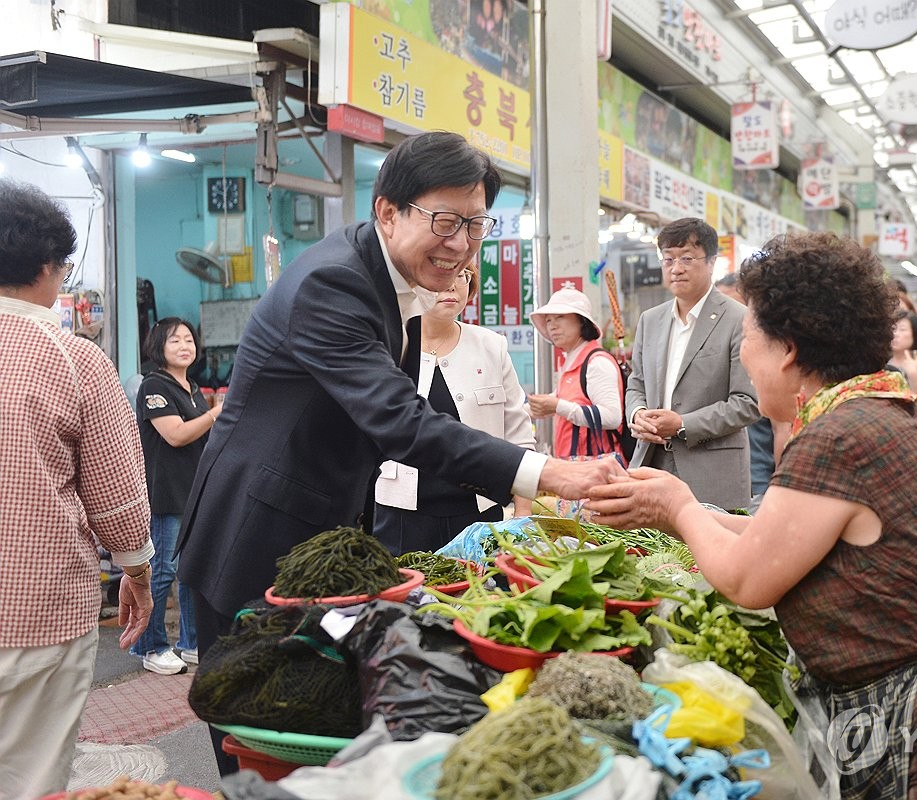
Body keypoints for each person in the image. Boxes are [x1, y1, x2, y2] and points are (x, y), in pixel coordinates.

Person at [588, 232, 917, 798]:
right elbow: (773, 540)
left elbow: (747, 579)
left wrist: (679, 506)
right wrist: (675, 512)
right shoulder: (867, 410)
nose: (743, 354)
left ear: (789, 349)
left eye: (747, 336)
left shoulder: (841, 436)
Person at [176, 132, 623, 770]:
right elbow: (399, 421)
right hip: (256, 533)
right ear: (388, 211)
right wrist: (550, 474)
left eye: (475, 225)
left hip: (314, 534)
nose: (462, 244)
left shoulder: (390, 280)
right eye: (445, 221)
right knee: (259, 735)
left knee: (310, 727)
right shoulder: (334, 282)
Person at [0, 180, 153, 796]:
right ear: (48, 266)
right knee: (30, 775)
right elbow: (117, 494)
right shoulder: (73, 359)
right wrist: (136, 573)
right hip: (36, 609)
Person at [374, 262, 534, 553]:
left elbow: (519, 434)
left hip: (479, 512)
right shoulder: (390, 348)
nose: (452, 285)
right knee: (407, 596)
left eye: (462, 275)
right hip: (402, 515)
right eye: (443, 275)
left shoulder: (490, 347)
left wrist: (523, 513)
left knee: (482, 593)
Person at [625, 217, 759, 510]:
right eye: (668, 259)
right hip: (652, 464)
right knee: (653, 554)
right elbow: (636, 383)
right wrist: (638, 414)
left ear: (711, 262)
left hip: (712, 473)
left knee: (709, 555)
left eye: (687, 258)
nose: (676, 268)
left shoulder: (739, 319)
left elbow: (748, 402)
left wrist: (683, 424)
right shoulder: (651, 320)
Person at [130, 318, 216, 675]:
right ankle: (149, 646)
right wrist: (216, 412)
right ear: (159, 347)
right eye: (175, 340)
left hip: (193, 492)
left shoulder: (192, 386)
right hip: (166, 493)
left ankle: (192, 642)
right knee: (162, 570)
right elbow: (176, 435)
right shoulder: (154, 385)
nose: (185, 345)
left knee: (192, 570)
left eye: (188, 339)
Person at [527, 287, 624, 461]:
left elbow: (612, 417)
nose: (552, 326)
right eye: (548, 320)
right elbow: (563, 400)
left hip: (597, 470)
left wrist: (557, 406)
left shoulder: (596, 362)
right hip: (579, 469)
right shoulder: (573, 359)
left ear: (581, 321)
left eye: (560, 317)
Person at [715, 271, 778, 500]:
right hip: (725, 478)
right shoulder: (717, 353)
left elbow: (782, 428)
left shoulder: (770, 367)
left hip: (759, 479)